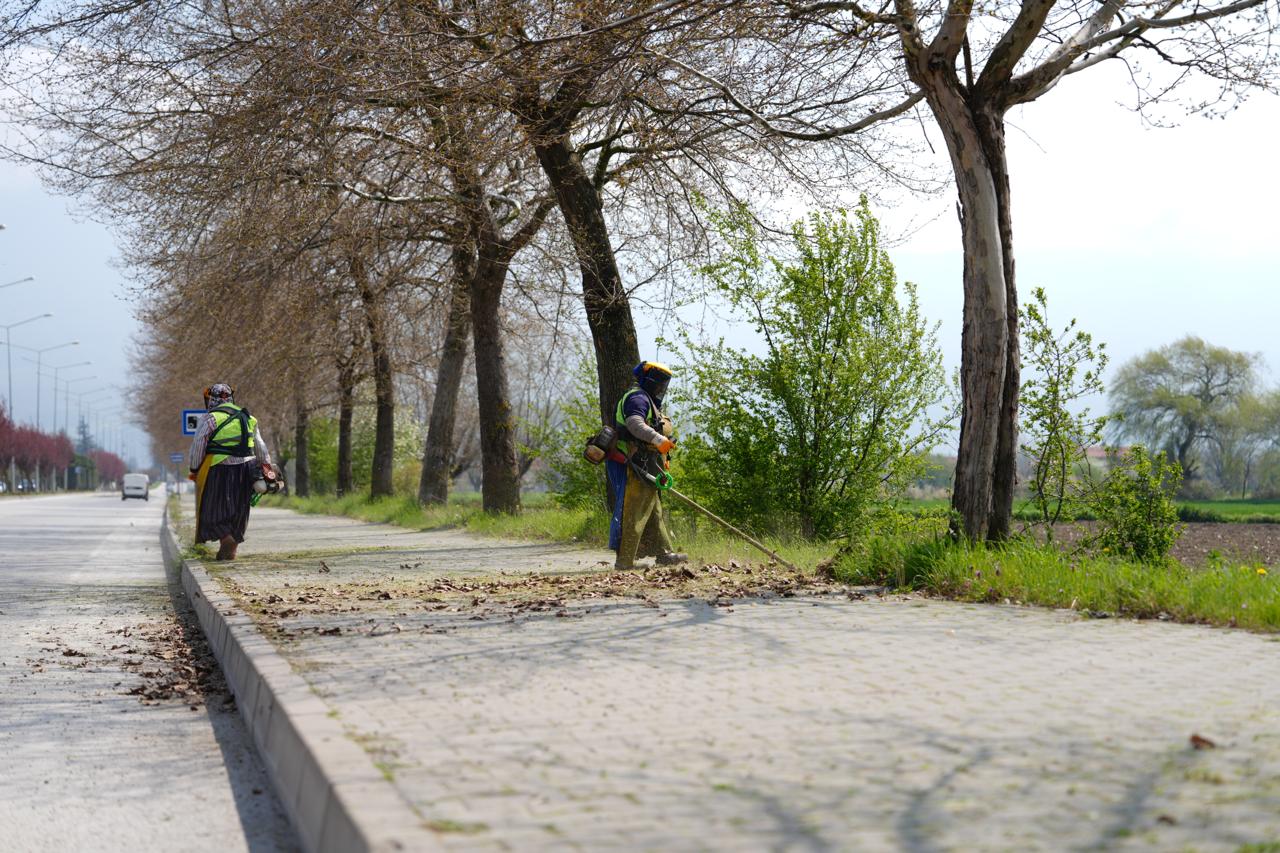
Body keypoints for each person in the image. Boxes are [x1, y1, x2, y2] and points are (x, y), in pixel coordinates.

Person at [606, 361, 688, 570]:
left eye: (664, 383)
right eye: (658, 382)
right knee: (633, 511)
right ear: (649, 381)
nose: (661, 387)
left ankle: (664, 553)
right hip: (631, 463)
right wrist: (659, 440)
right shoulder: (637, 398)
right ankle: (624, 561)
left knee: (653, 510)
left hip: (645, 463)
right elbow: (635, 424)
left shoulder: (648, 400)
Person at [188, 383, 273, 561]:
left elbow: (198, 446)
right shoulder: (249, 417)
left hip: (219, 469)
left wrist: (194, 468)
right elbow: (260, 446)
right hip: (246, 470)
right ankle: (231, 547)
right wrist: (267, 467)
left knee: (213, 510)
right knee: (239, 510)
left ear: (211, 400)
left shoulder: (210, 419)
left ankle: (227, 539)